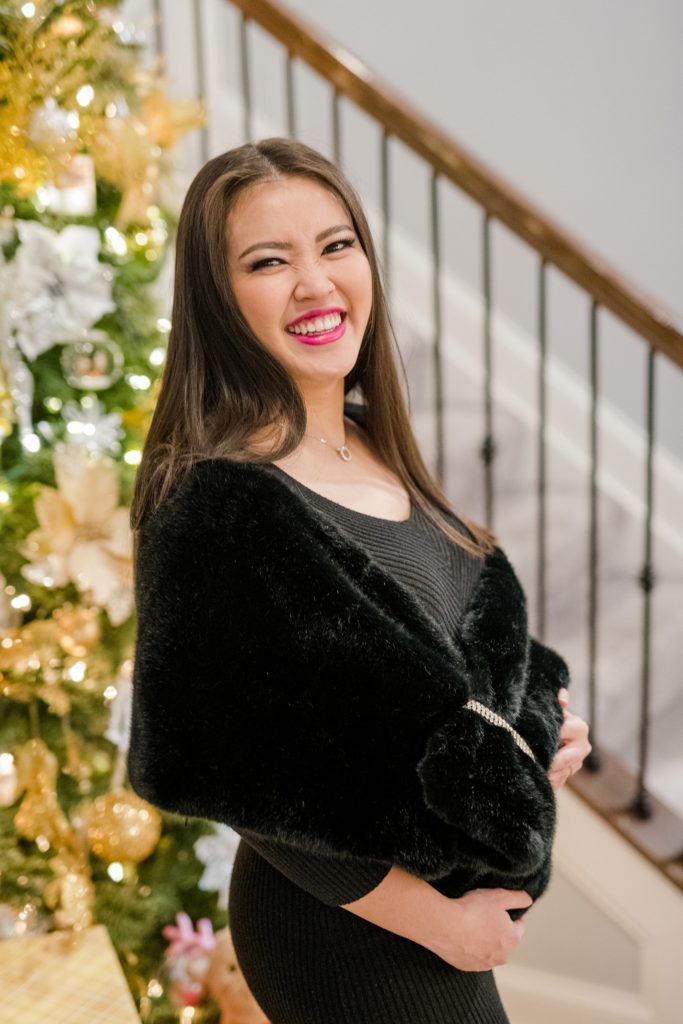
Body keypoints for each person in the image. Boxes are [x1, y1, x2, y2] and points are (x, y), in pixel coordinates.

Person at [128, 137, 591, 1024]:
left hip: (436, 910)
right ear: (218, 296)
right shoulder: (213, 502)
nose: (316, 283)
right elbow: (239, 773)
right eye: (269, 262)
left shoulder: (373, 442)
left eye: (335, 246)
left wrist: (537, 726)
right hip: (344, 926)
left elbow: (435, 674)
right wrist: (441, 925)